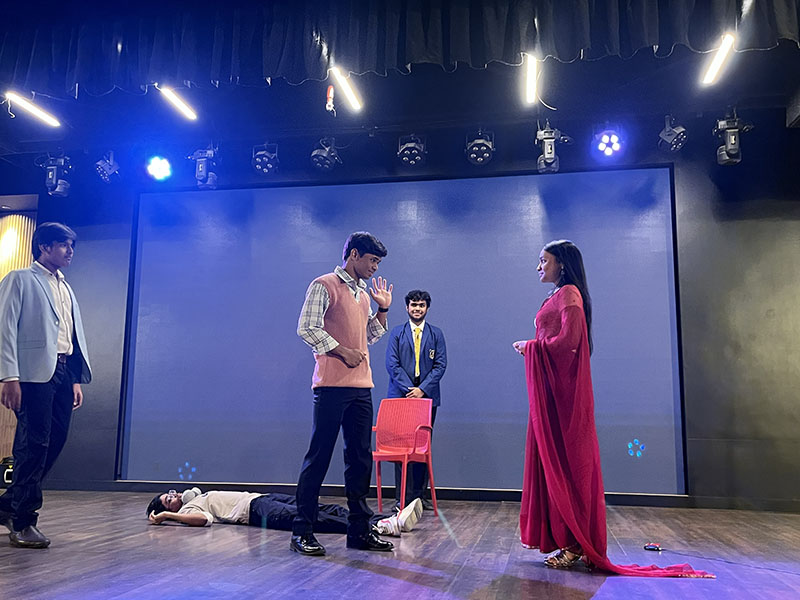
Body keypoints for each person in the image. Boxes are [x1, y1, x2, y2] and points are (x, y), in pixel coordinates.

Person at [513, 240, 712, 578]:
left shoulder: (570, 295)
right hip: (551, 394)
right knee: (553, 463)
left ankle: (575, 544)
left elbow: (569, 343)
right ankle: (566, 540)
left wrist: (531, 347)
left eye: (544, 261)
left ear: (562, 264)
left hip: (563, 398)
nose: (539, 267)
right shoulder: (560, 295)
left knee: (568, 463)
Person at [292, 232, 394, 556]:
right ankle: (302, 531)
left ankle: (360, 532)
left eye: (378, 262)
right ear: (353, 255)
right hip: (331, 387)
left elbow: (368, 337)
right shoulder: (323, 285)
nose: (375, 267)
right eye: (372, 260)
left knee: (360, 459)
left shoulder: (363, 295)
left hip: (361, 388)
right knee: (319, 457)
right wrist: (341, 351)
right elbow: (307, 328)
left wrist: (383, 310)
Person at [0, 222, 92, 549]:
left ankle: (8, 506)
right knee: (33, 443)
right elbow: (5, 328)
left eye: (72, 245)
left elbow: (69, 335)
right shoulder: (20, 279)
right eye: (64, 245)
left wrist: (75, 379)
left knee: (56, 440)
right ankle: (23, 520)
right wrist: (9, 376)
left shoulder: (65, 287)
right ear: (44, 246)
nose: (70, 251)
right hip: (31, 374)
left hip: (63, 372)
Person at [146, 488, 422, 537]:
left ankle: (386, 519)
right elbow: (204, 520)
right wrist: (167, 517)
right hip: (255, 511)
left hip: (262, 498)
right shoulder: (190, 509)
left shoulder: (197, 496)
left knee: (322, 507)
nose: (174, 496)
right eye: (168, 500)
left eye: (171, 493)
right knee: (313, 519)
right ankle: (378, 528)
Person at [385, 290, 446, 510]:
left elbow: (440, 365)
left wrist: (422, 390)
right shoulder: (397, 333)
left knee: (422, 447)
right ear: (407, 307)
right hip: (401, 397)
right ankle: (401, 498)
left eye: (421, 305)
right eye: (413, 305)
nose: (417, 309)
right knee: (401, 448)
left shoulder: (436, 334)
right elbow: (392, 364)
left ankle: (419, 497)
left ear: (427, 308)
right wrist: (410, 389)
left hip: (427, 398)